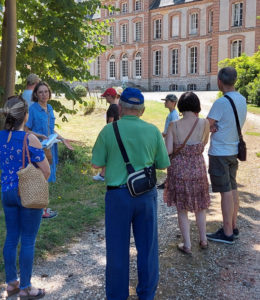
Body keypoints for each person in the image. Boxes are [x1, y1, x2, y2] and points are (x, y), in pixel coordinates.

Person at [92, 87, 170, 300]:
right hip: (145, 195)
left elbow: (96, 163)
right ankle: (146, 294)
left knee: (117, 250)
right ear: (142, 110)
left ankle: (117, 295)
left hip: (117, 196)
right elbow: (163, 163)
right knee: (148, 248)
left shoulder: (109, 131)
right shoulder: (153, 131)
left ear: (120, 107)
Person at [0, 96, 49, 299]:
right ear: (25, 115)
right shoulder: (29, 139)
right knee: (27, 240)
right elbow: (46, 171)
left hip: (6, 193)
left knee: (11, 238)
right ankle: (26, 287)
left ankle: (11, 284)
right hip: (26, 194)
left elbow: (3, 160)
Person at [164, 92, 211, 254]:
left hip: (179, 170)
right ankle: (203, 239)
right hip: (198, 168)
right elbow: (204, 143)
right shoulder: (204, 124)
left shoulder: (174, 126)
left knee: (182, 209)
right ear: (196, 105)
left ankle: (187, 245)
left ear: (181, 106)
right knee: (200, 206)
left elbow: (168, 150)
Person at [206, 67, 247, 244]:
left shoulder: (221, 103)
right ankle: (233, 225)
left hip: (220, 152)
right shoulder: (242, 99)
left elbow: (206, 125)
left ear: (220, 81)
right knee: (232, 188)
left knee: (225, 193)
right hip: (233, 150)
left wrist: (212, 127)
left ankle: (227, 232)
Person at [25, 81, 73, 219]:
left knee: (45, 178)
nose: (44, 94)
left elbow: (51, 130)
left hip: (50, 148)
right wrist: (40, 136)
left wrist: (63, 139)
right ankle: (41, 210)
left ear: (49, 93)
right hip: (38, 149)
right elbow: (26, 130)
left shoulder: (50, 108)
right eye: (40, 92)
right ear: (36, 94)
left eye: (46, 91)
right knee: (40, 178)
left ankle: (40, 208)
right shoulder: (33, 109)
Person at [93, 87, 120, 182]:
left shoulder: (112, 107)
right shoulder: (117, 106)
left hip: (112, 134)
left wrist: (106, 133)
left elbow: (110, 122)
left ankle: (102, 175)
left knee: (107, 154)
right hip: (117, 133)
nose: (105, 98)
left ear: (110, 96)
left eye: (106, 96)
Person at [157, 94, 179, 189]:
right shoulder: (171, 114)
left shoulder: (174, 115)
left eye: (167, 101)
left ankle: (169, 182)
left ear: (173, 103)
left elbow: (174, 128)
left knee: (170, 161)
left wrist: (165, 134)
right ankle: (169, 181)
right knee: (169, 161)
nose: (165, 103)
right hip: (168, 139)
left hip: (171, 141)